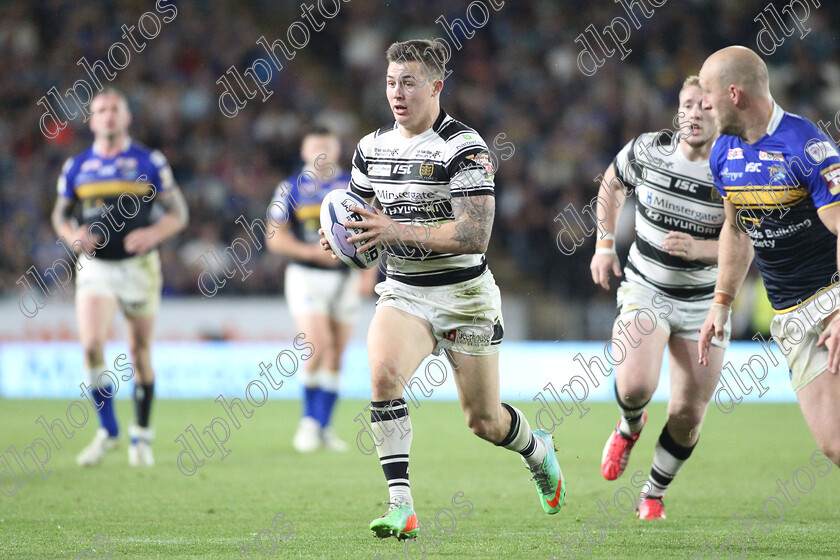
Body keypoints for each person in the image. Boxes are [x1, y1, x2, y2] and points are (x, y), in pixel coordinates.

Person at [320, 39, 564, 541]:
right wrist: (344, 239)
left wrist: (393, 231)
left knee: (484, 421)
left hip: (465, 298)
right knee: (384, 375)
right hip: (404, 292)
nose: (397, 93)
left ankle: (538, 451)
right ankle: (401, 506)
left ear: (436, 85)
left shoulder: (464, 147)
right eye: (391, 82)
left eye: (409, 82)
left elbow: (474, 234)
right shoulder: (370, 148)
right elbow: (366, 228)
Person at [590, 76, 725, 520]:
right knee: (634, 386)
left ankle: (652, 494)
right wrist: (604, 246)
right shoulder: (650, 149)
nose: (694, 114)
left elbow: (750, 240)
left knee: (689, 413)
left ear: (721, 112)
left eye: (705, 106)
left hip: (705, 301)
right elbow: (612, 182)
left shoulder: (734, 168)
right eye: (688, 105)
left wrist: (701, 249)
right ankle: (630, 426)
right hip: (646, 287)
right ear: (678, 110)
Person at [698, 46, 840, 468]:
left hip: (832, 299)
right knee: (833, 443)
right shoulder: (723, 152)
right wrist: (721, 303)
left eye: (708, 92)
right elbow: (736, 230)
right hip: (790, 315)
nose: (703, 103)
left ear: (734, 93)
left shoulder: (807, 147)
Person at [51, 89, 188, 467]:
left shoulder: (149, 161)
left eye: (115, 109)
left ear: (127, 117)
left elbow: (179, 213)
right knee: (92, 344)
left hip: (139, 268)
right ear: (92, 120)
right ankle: (108, 430)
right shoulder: (77, 167)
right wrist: (72, 236)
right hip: (97, 267)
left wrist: (154, 234)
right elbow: (60, 216)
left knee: (139, 353)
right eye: (101, 110)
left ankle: (141, 435)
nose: (108, 115)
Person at [266, 127, 377, 452]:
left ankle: (324, 427)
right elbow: (274, 237)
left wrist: (369, 271)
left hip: (346, 279)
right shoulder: (290, 188)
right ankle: (308, 424)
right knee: (317, 345)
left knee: (336, 354)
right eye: (315, 146)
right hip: (306, 276)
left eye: (327, 146)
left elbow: (371, 230)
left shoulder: (352, 187)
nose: (322, 152)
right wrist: (311, 252)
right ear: (304, 151)